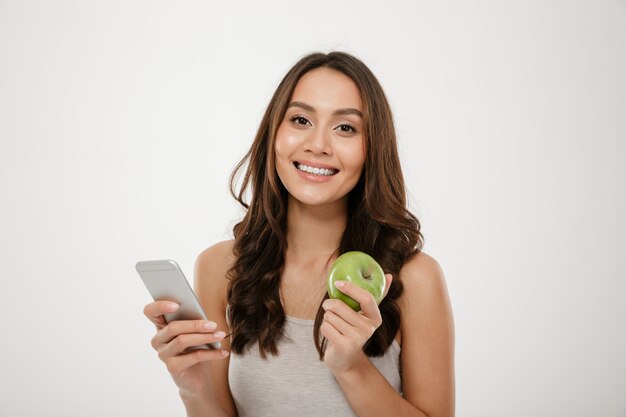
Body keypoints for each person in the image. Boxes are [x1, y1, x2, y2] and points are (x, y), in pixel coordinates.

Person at [144, 51, 455, 417]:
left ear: (372, 149)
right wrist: (193, 390)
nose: (318, 144)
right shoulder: (220, 266)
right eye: (301, 119)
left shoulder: (413, 278)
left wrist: (350, 366)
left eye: (345, 128)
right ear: (273, 133)